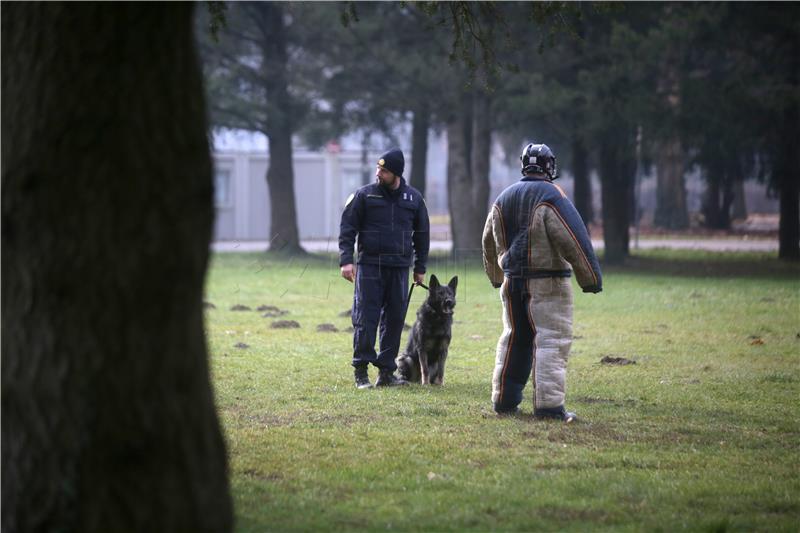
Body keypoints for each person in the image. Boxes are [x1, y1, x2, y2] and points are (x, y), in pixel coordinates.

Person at [481, 142, 602, 421]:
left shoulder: (503, 198)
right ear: (549, 167)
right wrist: (590, 278)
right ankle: (548, 407)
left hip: (512, 283)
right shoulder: (552, 196)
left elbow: (488, 241)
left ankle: (504, 400)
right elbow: (573, 239)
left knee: (513, 340)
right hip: (548, 283)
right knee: (551, 340)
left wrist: (495, 276)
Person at [339, 148, 430, 389]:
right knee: (365, 318)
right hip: (370, 267)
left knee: (394, 320)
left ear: (396, 174)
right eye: (378, 168)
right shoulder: (364, 196)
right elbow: (347, 229)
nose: (378, 173)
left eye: (384, 170)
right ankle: (361, 372)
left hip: (399, 269)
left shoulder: (414, 199)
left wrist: (420, 267)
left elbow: (422, 235)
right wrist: (346, 260)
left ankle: (386, 373)